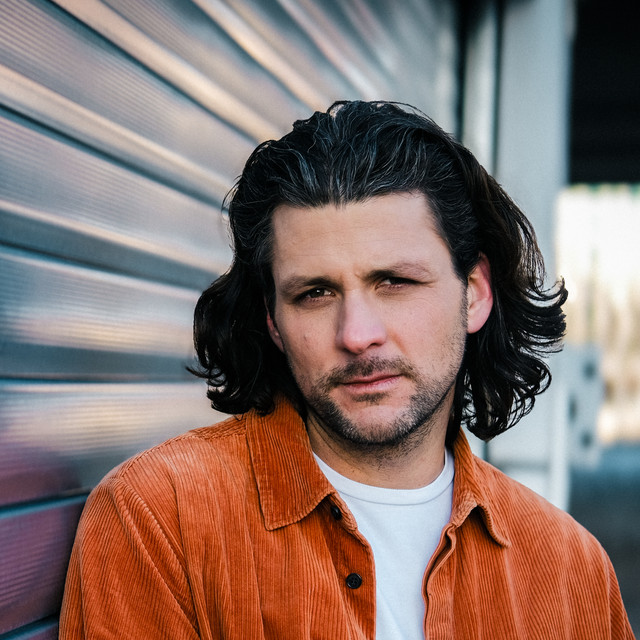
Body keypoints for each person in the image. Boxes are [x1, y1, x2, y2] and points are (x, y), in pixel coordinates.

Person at [60, 101, 634, 639]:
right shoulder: (160, 520)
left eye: (395, 282)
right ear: (273, 320)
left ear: (474, 292)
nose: (356, 335)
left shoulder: (569, 569)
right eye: (314, 293)